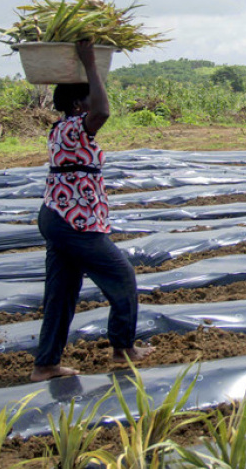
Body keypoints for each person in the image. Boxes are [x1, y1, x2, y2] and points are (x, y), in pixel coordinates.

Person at [31, 39, 153, 382]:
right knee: (123, 276)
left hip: (59, 217)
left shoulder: (64, 130)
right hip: (73, 222)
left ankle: (46, 364)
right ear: (76, 103)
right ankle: (122, 348)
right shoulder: (74, 126)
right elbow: (102, 111)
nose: (94, 101)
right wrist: (90, 64)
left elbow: (97, 110)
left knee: (61, 293)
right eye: (87, 96)